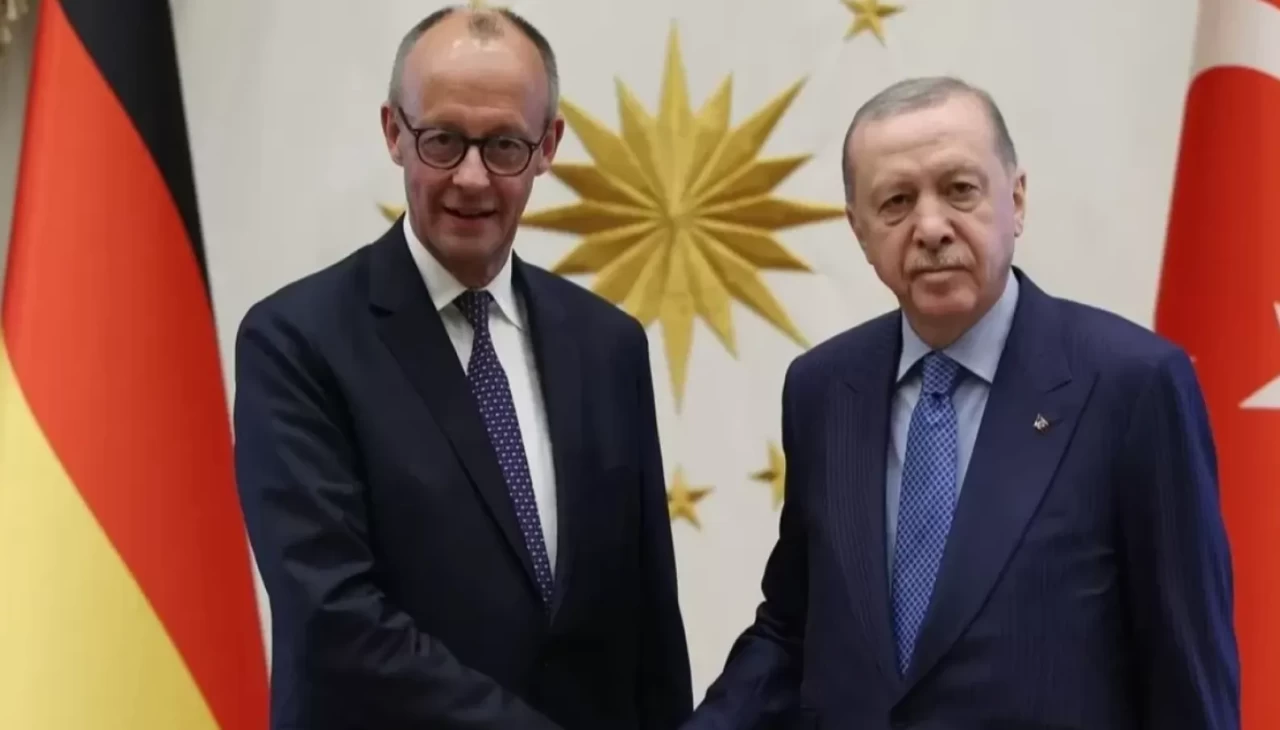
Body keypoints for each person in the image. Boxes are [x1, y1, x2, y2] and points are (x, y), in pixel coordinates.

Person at [684, 77, 1240, 729]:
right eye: (896, 202)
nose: (930, 228)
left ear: (1016, 201)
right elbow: (793, 629)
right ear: (860, 231)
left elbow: (1186, 669)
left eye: (959, 190)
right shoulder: (823, 389)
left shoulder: (1132, 385)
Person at [232, 6, 693, 729]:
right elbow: (334, 617)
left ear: (547, 147)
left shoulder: (609, 345)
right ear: (395, 133)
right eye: (443, 140)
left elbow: (647, 621)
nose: (472, 178)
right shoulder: (297, 342)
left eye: (504, 145)